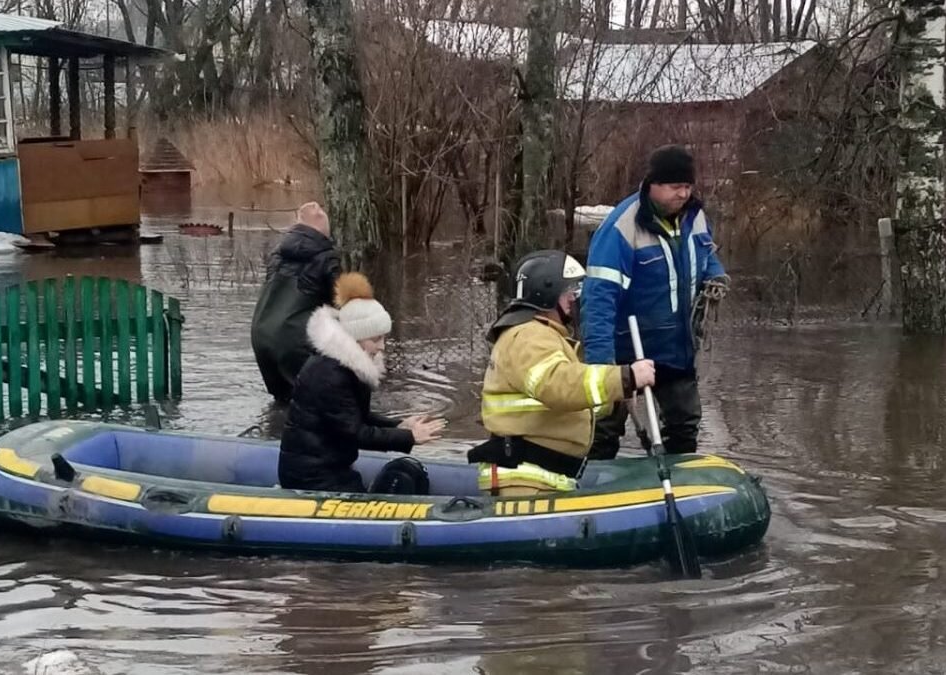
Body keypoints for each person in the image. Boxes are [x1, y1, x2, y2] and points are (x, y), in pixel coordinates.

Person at [581, 145, 730, 459]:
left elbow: (707, 255)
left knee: (685, 424)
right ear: (653, 185)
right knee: (604, 430)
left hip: (676, 346)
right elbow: (598, 299)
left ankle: (680, 484)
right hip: (626, 349)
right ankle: (596, 491)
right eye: (676, 187)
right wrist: (601, 366)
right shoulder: (620, 228)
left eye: (688, 187)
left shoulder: (696, 216)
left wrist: (716, 275)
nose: (683, 194)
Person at [470, 250, 657, 496]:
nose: (574, 297)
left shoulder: (542, 335)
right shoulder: (529, 336)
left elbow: (562, 405)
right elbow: (557, 385)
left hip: (542, 476)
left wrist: (612, 401)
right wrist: (625, 377)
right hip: (525, 481)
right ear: (546, 292)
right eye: (568, 290)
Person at [279, 272, 446, 493]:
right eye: (376, 339)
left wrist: (398, 425)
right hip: (312, 477)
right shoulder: (330, 375)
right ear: (355, 337)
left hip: (330, 466)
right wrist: (409, 437)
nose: (382, 347)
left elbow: (355, 417)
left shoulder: (341, 365)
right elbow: (355, 432)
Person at [251, 202, 342, 404]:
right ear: (322, 230)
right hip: (293, 342)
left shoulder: (277, 255)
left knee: (283, 403)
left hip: (261, 336)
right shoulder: (327, 258)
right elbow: (342, 306)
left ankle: (272, 432)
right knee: (316, 405)